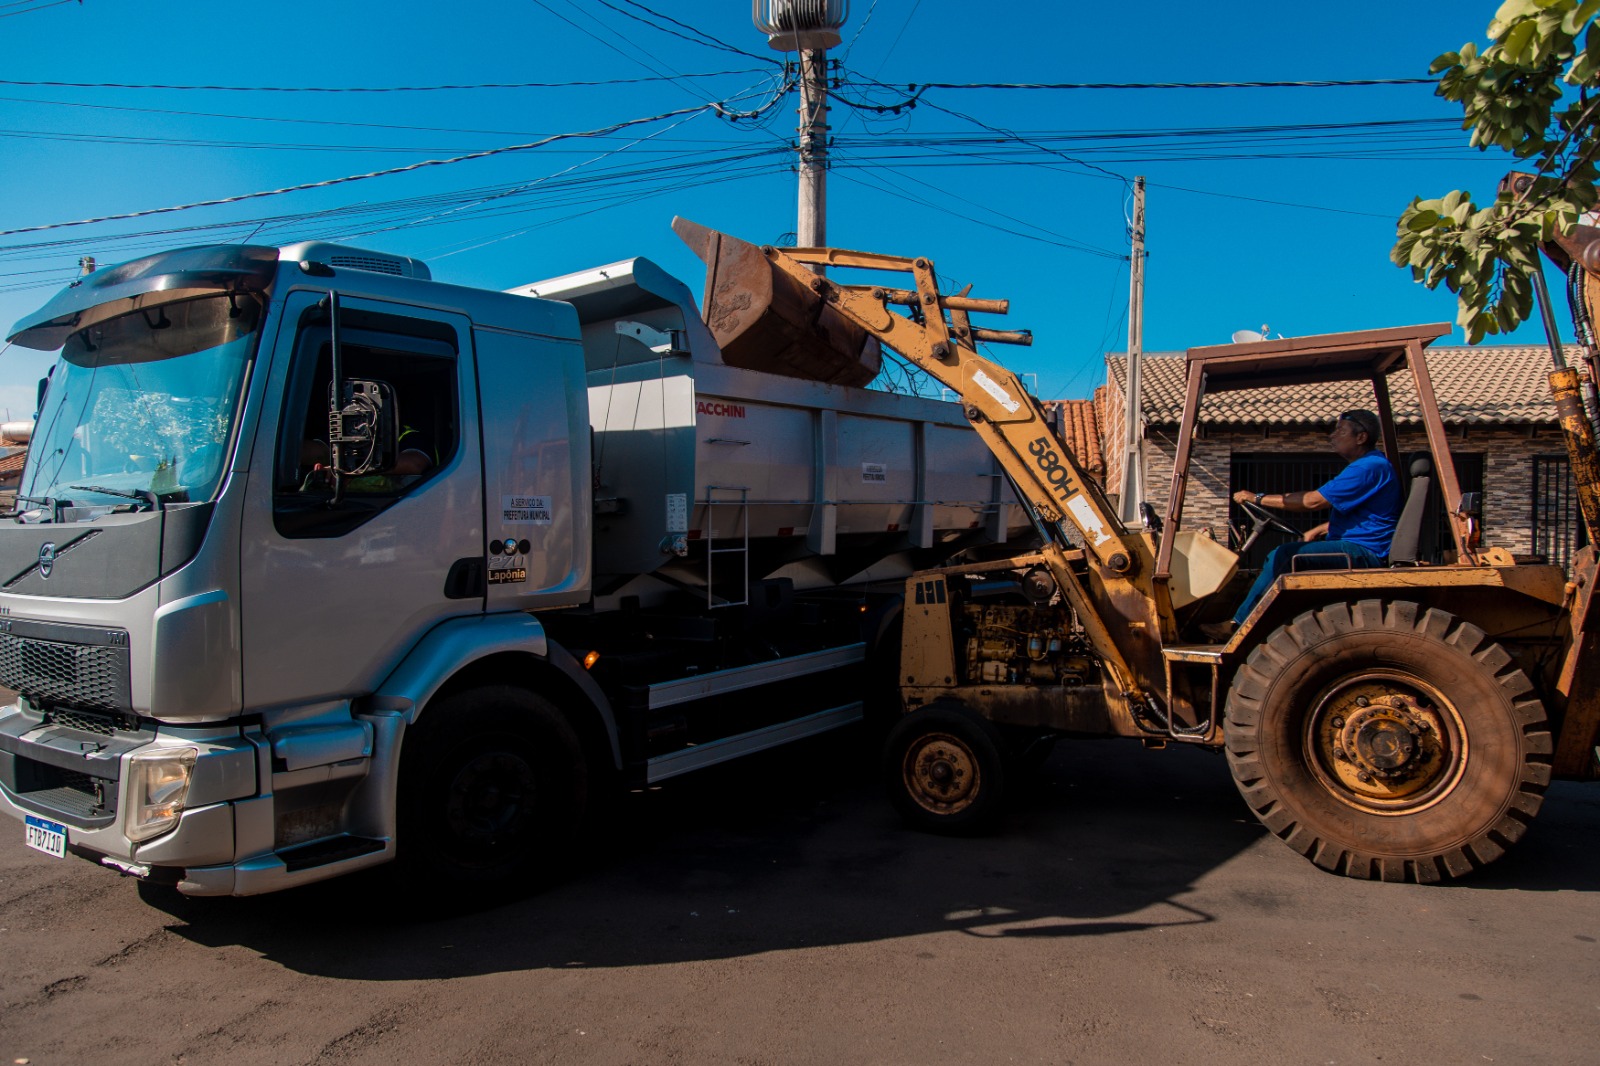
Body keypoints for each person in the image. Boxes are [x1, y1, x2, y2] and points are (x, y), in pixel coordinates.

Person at [1199, 409, 1401, 642]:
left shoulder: (1368, 467)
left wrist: (1256, 498)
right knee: (1281, 556)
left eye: (1340, 431)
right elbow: (1367, 516)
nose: (1332, 436)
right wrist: (1319, 529)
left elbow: (1312, 501)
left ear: (1361, 437)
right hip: (1359, 544)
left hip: (1365, 552)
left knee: (1282, 556)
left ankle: (1238, 626)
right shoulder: (1370, 465)